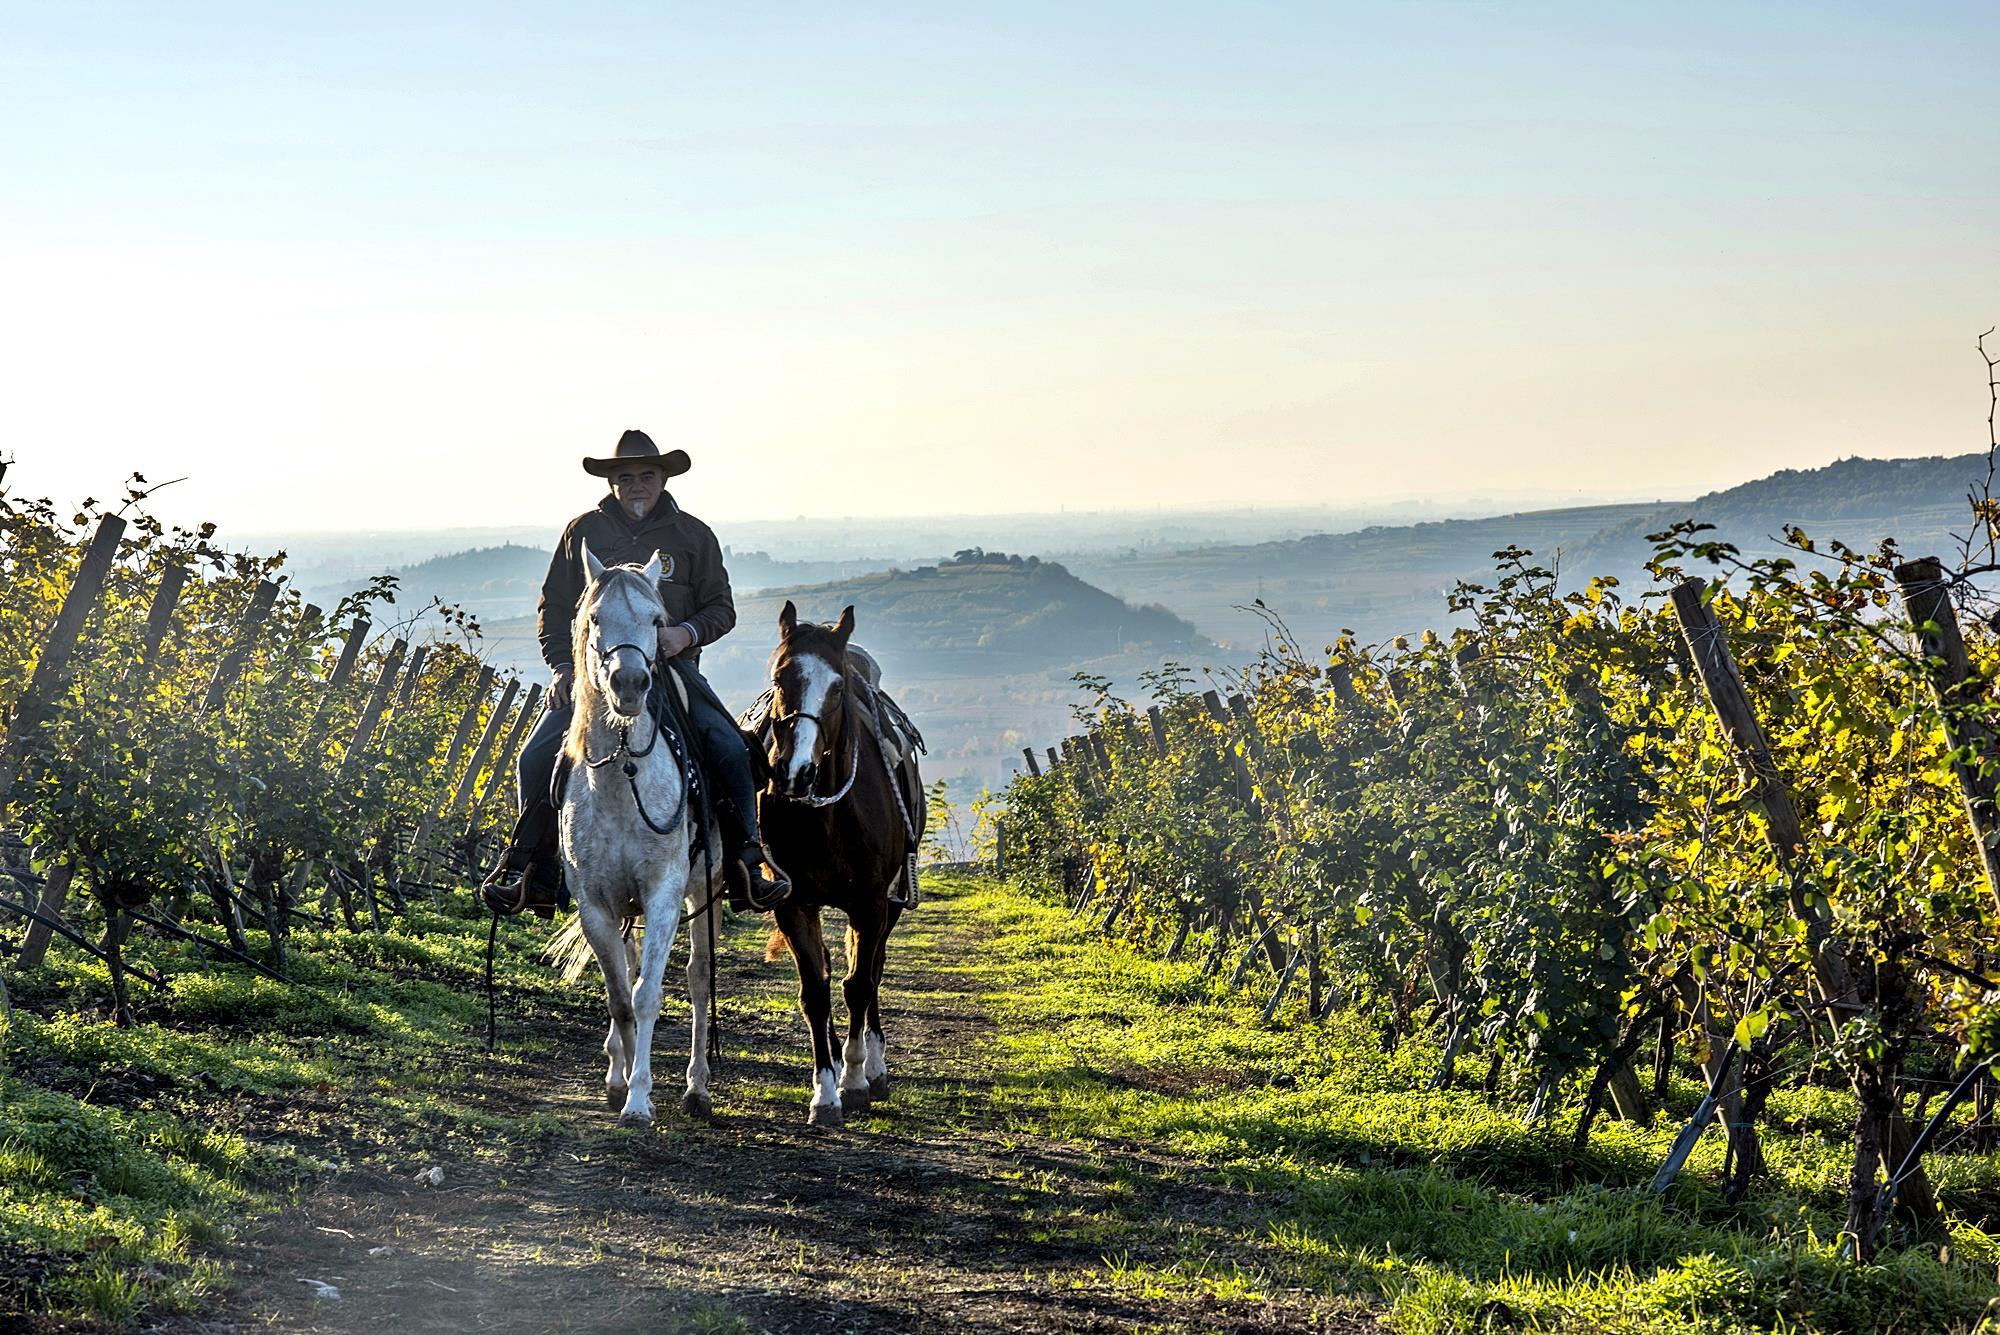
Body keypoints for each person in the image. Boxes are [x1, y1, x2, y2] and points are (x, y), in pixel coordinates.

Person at [481, 429, 790, 914]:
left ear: (664, 478)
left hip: (673, 672)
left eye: (647, 475)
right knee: (535, 757)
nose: (636, 485)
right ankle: (531, 870)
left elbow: (721, 607)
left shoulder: (693, 535)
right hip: (594, 678)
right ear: (611, 483)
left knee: (730, 748)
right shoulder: (582, 532)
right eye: (625, 477)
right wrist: (563, 668)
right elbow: (555, 606)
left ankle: (745, 863)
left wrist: (684, 634)